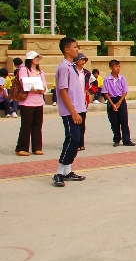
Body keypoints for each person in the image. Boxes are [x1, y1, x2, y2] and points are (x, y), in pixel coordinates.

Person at [52, 37, 87, 187]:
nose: (77, 50)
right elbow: (63, 91)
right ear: (66, 49)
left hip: (79, 108)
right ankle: (59, 172)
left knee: (76, 140)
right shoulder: (64, 68)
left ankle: (67, 171)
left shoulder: (71, 66)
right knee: (72, 139)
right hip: (70, 111)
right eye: (75, 47)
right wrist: (73, 112)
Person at [14, 51, 46, 156]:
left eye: (38, 57)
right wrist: (35, 89)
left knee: (37, 125)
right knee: (26, 125)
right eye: (35, 57)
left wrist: (41, 90)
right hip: (27, 102)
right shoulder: (24, 69)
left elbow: (44, 86)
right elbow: (23, 83)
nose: (37, 59)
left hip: (39, 102)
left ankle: (37, 147)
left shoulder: (40, 72)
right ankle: (22, 148)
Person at [102, 59, 134, 147]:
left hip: (121, 100)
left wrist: (119, 102)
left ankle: (126, 139)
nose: (118, 68)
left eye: (119, 66)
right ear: (111, 67)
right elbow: (105, 92)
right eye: (116, 66)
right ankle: (116, 139)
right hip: (111, 100)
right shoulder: (107, 79)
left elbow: (125, 91)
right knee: (114, 121)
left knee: (124, 120)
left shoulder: (122, 78)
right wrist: (112, 104)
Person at [73, 52, 90, 151]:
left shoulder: (86, 73)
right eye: (81, 60)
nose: (83, 62)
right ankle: (74, 143)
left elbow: (94, 82)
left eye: (84, 60)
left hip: (83, 101)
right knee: (74, 123)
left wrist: (90, 91)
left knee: (82, 124)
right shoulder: (72, 71)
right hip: (73, 101)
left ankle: (81, 143)